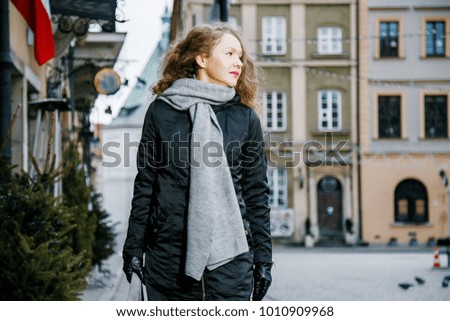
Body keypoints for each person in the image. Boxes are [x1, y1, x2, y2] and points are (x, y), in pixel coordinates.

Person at [122, 23, 272, 301]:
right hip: (169, 261)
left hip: (231, 263)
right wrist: (133, 249)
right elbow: (146, 184)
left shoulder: (245, 118)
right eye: (229, 53)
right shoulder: (161, 112)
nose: (238, 63)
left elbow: (256, 193)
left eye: (240, 56)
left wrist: (264, 259)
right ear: (201, 59)